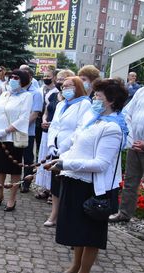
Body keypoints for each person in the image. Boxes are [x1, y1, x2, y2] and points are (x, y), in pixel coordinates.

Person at [50, 78, 127, 273]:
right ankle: (75, 267)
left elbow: (101, 164)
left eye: (98, 97)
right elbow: (75, 144)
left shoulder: (112, 128)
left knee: (90, 234)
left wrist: (66, 163)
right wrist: (59, 158)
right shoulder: (93, 119)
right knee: (77, 230)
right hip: (76, 179)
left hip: (94, 188)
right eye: (94, 95)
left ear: (111, 101)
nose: (94, 99)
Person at [109, 61, 144, 237]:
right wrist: (131, 138)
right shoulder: (143, 91)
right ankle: (124, 213)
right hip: (135, 145)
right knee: (130, 182)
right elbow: (127, 113)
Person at [45, 76, 91, 227]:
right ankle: (54, 213)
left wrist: (63, 146)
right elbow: (54, 126)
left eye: (69, 86)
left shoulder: (84, 104)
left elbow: (80, 127)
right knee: (55, 183)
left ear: (77, 87)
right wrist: (51, 143)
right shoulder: (61, 104)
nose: (65, 89)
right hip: (56, 147)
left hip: (71, 148)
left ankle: (65, 216)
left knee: (66, 182)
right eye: (63, 87)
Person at [0, 69, 33, 211]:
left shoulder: (26, 96)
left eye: (16, 77)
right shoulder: (5, 93)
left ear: (23, 81)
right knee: (0, 168)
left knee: (14, 169)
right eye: (11, 77)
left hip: (12, 137)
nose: (12, 79)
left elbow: (24, 118)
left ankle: (12, 198)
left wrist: (6, 131)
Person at [35, 69, 73, 201]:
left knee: (55, 162)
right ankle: (46, 187)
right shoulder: (53, 95)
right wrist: (44, 120)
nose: (60, 81)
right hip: (48, 132)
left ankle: (54, 192)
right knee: (45, 159)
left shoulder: (69, 99)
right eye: (59, 78)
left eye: (64, 79)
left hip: (60, 136)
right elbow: (47, 110)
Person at [20, 66, 44, 193]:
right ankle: (16, 180)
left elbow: (35, 114)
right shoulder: (18, 90)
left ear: (30, 77)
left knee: (28, 158)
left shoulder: (36, 93)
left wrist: (21, 125)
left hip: (27, 131)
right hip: (15, 130)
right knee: (16, 157)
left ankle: (26, 182)